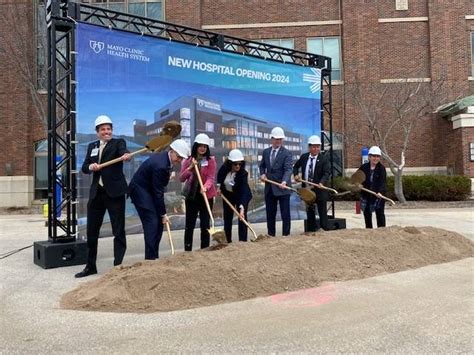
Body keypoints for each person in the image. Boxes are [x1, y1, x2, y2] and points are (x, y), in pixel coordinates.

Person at [75, 115, 132, 278]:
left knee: (118, 230)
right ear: (97, 132)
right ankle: (90, 266)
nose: (106, 132)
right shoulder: (92, 146)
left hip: (115, 193)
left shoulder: (118, 143)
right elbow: (84, 167)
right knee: (92, 231)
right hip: (97, 194)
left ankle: (117, 267)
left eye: (109, 129)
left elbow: (124, 153)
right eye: (103, 129)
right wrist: (90, 166)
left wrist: (126, 155)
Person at [129, 139, 190, 260]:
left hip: (149, 190)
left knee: (158, 224)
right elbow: (158, 193)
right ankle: (150, 260)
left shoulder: (167, 160)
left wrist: (162, 214)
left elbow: (158, 190)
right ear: (172, 151)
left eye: (181, 158)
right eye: (178, 156)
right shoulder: (161, 165)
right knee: (152, 222)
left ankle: (154, 255)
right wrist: (163, 214)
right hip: (140, 192)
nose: (179, 160)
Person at [179, 133, 217, 251]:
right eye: (200, 146)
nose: (202, 148)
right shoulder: (188, 160)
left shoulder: (211, 161)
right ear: (195, 146)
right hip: (192, 196)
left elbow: (211, 177)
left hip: (206, 196)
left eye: (204, 146)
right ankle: (188, 249)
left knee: (205, 225)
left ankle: (204, 249)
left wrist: (205, 187)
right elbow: (181, 178)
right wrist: (190, 167)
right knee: (189, 225)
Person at [259, 126, 293, 237]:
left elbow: (288, 169)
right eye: (276, 139)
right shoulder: (266, 152)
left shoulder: (286, 153)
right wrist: (263, 174)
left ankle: (286, 236)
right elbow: (262, 166)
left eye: (280, 139)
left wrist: (284, 181)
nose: (278, 141)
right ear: (272, 139)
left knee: (285, 214)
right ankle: (271, 235)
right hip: (270, 187)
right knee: (270, 213)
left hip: (282, 187)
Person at [293, 135, 331, 231]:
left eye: (318, 146)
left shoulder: (324, 159)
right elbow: (295, 167)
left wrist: (322, 182)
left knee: (322, 212)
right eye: (314, 146)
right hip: (307, 190)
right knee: (310, 211)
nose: (316, 148)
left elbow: (327, 173)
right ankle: (311, 231)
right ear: (309, 147)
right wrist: (296, 175)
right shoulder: (304, 157)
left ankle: (324, 230)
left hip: (319, 190)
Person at [216, 149, 253, 243]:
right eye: (235, 164)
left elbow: (244, 191)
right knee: (227, 218)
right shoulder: (224, 169)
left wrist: (242, 208)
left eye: (240, 164)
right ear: (230, 163)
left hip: (241, 196)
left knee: (242, 218)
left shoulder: (243, 174)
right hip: (228, 195)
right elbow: (219, 178)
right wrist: (218, 188)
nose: (238, 166)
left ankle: (242, 241)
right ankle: (227, 241)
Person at [358, 145, 387, 228]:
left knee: (380, 214)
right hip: (366, 195)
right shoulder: (364, 167)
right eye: (374, 156)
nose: (376, 158)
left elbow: (383, 182)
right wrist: (358, 184)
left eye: (378, 156)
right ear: (369, 157)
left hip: (378, 195)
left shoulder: (381, 169)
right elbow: (357, 177)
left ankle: (382, 231)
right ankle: (369, 230)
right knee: (367, 214)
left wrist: (380, 192)